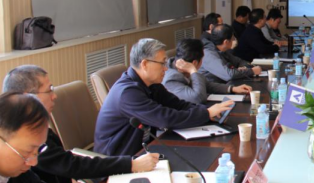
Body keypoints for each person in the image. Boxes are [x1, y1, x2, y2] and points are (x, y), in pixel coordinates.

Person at [2, 66, 159, 183]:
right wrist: (130, 164)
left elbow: (56, 163)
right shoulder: (23, 136)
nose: (54, 96)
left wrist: (65, 177)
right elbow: (68, 164)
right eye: (49, 90)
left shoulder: (31, 124)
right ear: (27, 96)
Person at [94, 39, 233, 157]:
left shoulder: (151, 84)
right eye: (162, 63)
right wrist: (206, 113)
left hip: (146, 152)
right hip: (120, 160)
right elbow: (165, 118)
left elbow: (178, 105)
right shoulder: (127, 93)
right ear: (144, 64)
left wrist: (207, 112)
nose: (166, 69)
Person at [163, 39, 251, 104]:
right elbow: (198, 98)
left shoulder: (183, 67)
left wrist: (232, 89)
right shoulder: (171, 78)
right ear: (195, 63)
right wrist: (193, 71)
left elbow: (207, 84)